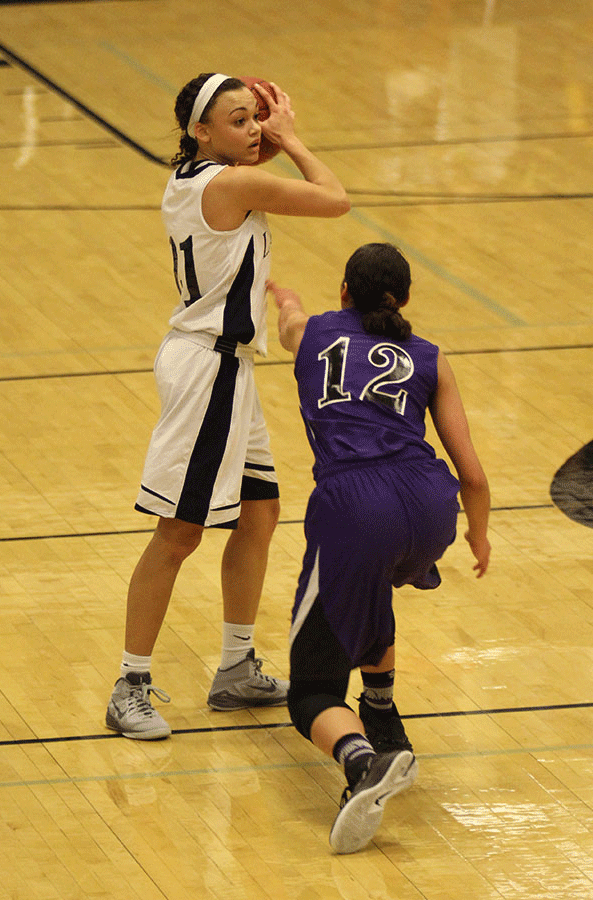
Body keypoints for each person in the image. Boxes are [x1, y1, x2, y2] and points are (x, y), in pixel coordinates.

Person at [105, 73, 350, 740]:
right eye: (238, 120)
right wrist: (292, 139)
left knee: (261, 512)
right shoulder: (231, 184)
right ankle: (129, 684)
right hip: (206, 371)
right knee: (179, 533)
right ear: (201, 131)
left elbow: (249, 171)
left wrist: (257, 143)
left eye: (255, 119)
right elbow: (335, 200)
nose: (253, 130)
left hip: (226, 367)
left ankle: (237, 667)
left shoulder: (199, 175)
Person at [268, 242, 490, 853]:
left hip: (356, 506)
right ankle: (384, 711)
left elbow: (289, 323)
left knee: (310, 691)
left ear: (343, 291)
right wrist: (479, 531)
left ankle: (361, 760)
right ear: (407, 299)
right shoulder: (431, 357)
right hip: (430, 506)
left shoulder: (313, 332)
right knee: (373, 578)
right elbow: (471, 473)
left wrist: (285, 297)